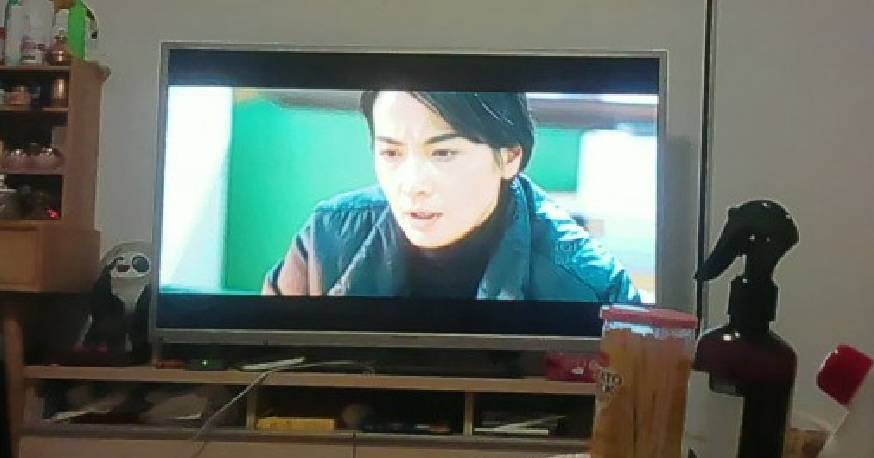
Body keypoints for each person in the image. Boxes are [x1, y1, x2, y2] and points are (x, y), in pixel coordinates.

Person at [263, 90, 641, 302]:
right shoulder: (327, 237)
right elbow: (262, 364)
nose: (413, 184)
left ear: (510, 156)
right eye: (391, 153)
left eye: (443, 153)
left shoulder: (588, 283)